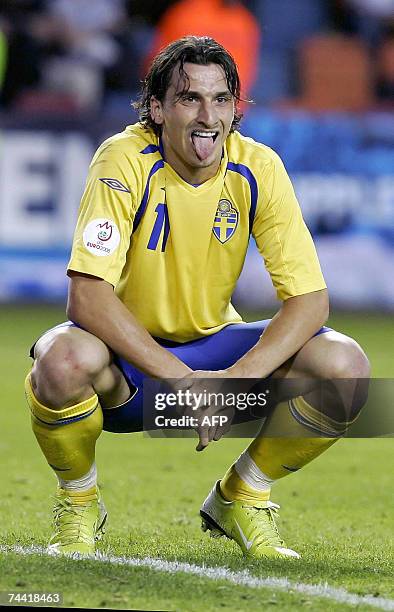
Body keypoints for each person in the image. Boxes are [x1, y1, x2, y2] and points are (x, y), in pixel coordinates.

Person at [25, 35, 370, 559]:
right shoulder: (123, 159)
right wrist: (183, 383)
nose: (208, 115)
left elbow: (309, 302)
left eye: (221, 99)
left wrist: (234, 382)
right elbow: (87, 298)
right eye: (189, 98)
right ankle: (79, 504)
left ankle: (242, 495)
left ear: (235, 108)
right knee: (61, 358)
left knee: (345, 365)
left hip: (216, 354)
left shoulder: (259, 166)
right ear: (158, 109)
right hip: (129, 369)